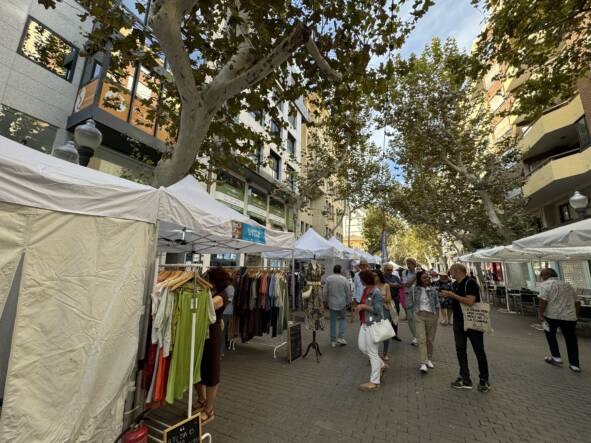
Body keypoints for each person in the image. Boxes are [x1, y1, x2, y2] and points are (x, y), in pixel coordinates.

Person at [440, 263, 490, 393]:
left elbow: (470, 301)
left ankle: (484, 380)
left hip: (472, 322)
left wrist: (452, 295)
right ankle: (465, 378)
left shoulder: (470, 283)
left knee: (478, 350)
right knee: (460, 350)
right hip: (458, 322)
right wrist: (447, 295)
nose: (450, 274)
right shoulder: (455, 284)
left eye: (451, 271)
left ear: (457, 271)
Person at [195, 267, 230, 423]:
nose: (206, 279)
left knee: (211, 371)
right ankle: (201, 399)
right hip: (200, 332)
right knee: (196, 367)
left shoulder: (222, 295)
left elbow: (207, 306)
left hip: (212, 335)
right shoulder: (210, 290)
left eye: (208, 277)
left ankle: (209, 409)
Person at [538, 268, 582, 372]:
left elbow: (543, 301)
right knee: (571, 339)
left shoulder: (545, 285)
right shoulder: (568, 285)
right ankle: (574, 364)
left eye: (542, 275)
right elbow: (577, 302)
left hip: (552, 316)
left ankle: (556, 357)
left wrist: (540, 314)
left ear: (547, 275)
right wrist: (575, 314)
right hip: (569, 317)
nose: (541, 277)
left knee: (550, 335)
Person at [355, 269, 386, 391]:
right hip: (364, 323)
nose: (360, 281)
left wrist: (364, 306)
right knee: (362, 347)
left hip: (373, 324)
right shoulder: (365, 290)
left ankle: (374, 382)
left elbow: (378, 310)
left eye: (361, 279)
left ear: (365, 279)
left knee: (373, 353)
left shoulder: (376, 292)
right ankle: (381, 365)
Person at [407, 270, 440, 373]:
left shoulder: (433, 290)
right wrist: (413, 312)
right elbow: (409, 302)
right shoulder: (413, 289)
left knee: (430, 339)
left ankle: (429, 359)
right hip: (419, 315)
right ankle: (423, 362)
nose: (427, 279)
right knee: (421, 339)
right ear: (419, 279)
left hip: (431, 315)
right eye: (424, 278)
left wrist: (437, 316)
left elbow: (437, 303)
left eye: (427, 277)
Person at [324, 264, 351, 347]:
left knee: (333, 321)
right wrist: (348, 302)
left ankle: (333, 341)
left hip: (332, 303)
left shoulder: (328, 279)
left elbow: (325, 291)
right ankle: (340, 337)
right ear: (340, 271)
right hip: (342, 303)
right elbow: (348, 292)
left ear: (333, 270)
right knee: (343, 319)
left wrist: (325, 301)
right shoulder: (344, 279)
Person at [374, 269, 395, 361]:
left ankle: (385, 353)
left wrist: (377, 298)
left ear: (379, 276)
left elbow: (388, 299)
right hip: (373, 311)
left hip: (385, 310)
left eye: (375, 275)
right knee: (374, 333)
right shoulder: (370, 286)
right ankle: (374, 354)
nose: (374, 277)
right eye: (372, 276)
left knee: (385, 332)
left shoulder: (386, 285)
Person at [383, 263, 402, 341]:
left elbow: (401, 286)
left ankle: (395, 334)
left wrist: (394, 285)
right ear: (384, 270)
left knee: (395, 316)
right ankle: (386, 334)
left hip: (395, 299)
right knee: (386, 317)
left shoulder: (395, 277)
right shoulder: (381, 278)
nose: (390, 271)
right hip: (385, 300)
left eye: (391, 270)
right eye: (388, 270)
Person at [402, 258, 419, 347]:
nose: (408, 265)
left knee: (419, 317)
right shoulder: (404, 273)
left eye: (410, 263)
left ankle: (420, 335)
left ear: (414, 264)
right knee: (410, 317)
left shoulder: (419, 272)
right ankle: (415, 336)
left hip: (418, 297)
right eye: (407, 264)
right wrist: (415, 277)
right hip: (408, 296)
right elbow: (406, 284)